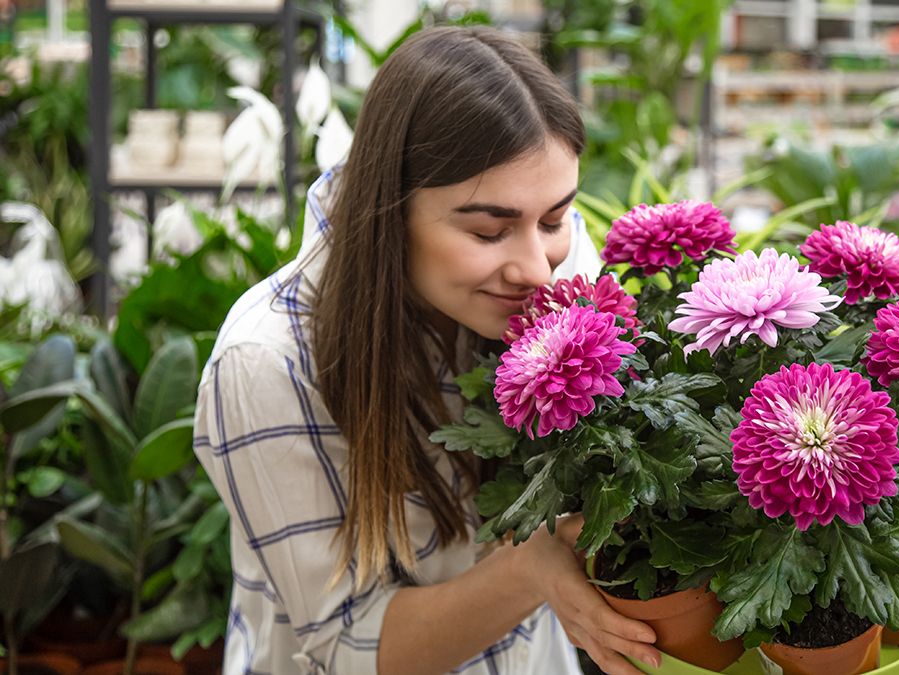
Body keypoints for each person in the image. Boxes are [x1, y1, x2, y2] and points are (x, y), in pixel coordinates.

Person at [193, 26, 661, 675]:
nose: (535, 266)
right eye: (489, 229)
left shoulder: (547, 269)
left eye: (555, 219)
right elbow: (349, 644)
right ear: (388, 211)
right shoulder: (266, 361)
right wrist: (530, 568)